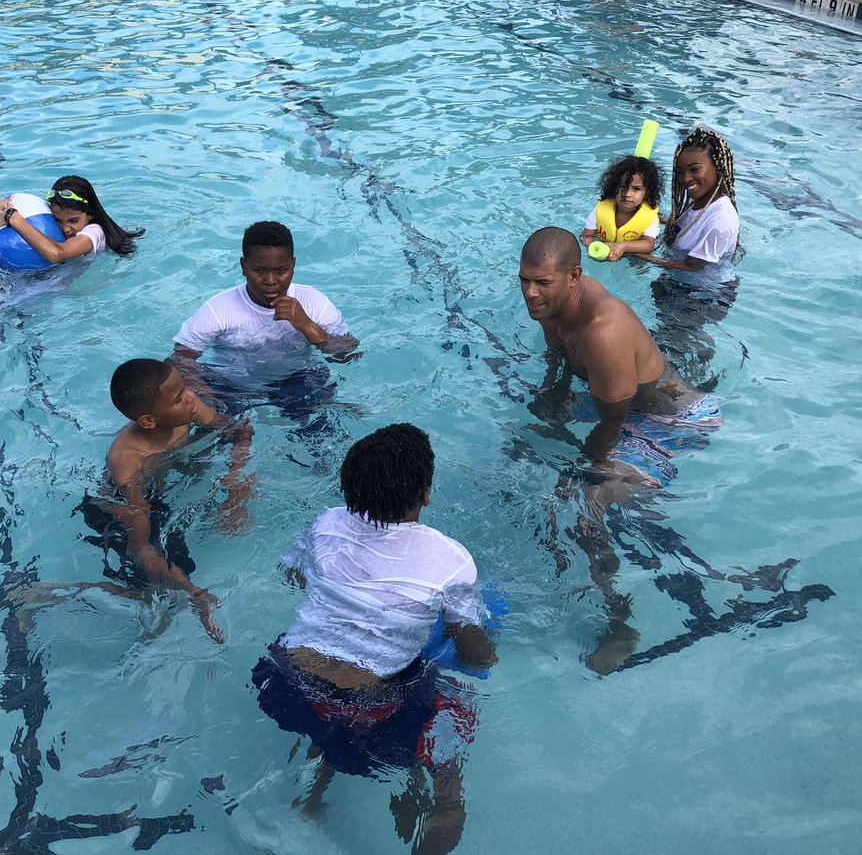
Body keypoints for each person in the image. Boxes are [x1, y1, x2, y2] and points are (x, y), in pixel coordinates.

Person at [252, 423, 495, 855]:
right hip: (376, 709)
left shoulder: (326, 523)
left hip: (285, 683)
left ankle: (306, 807)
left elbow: (293, 575)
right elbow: (475, 655)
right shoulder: (451, 560)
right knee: (450, 764)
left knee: (328, 726)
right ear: (425, 493)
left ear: (348, 488)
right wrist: (485, 646)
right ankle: (431, 821)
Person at [519, 227, 724, 674]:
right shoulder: (552, 305)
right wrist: (550, 403)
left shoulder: (602, 331)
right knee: (523, 439)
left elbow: (612, 424)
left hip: (672, 423)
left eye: (542, 284)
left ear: (574, 277)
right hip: (621, 402)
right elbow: (561, 365)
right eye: (525, 281)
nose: (531, 294)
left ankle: (619, 619)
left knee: (587, 501)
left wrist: (584, 472)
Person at [82, 358, 253, 644]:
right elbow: (141, 545)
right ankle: (46, 594)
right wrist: (192, 590)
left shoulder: (190, 410)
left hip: (163, 487)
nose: (190, 396)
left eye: (184, 388)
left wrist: (235, 482)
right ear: (149, 421)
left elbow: (240, 432)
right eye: (178, 399)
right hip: (123, 505)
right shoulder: (128, 461)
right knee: (156, 591)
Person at [171, 221, 357, 428]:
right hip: (230, 384)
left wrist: (306, 325)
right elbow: (180, 360)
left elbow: (347, 355)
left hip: (295, 379)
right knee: (205, 432)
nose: (270, 281)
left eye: (281, 270)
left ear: (293, 265)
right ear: (243, 267)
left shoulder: (314, 301)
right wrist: (204, 396)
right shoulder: (218, 309)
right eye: (259, 271)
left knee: (323, 429)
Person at [609, 129, 741, 389]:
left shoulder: (721, 218)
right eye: (680, 172)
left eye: (694, 170)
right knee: (659, 341)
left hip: (704, 295)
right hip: (684, 287)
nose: (686, 179)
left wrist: (638, 254)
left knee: (670, 348)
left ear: (718, 168)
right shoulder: (701, 201)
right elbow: (684, 227)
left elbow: (693, 266)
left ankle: (687, 392)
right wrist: (650, 218)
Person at [0, 175, 144, 280]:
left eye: (73, 221)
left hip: (53, 283)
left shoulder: (95, 232)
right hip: (37, 270)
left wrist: (11, 216)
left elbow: (57, 254)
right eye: (58, 221)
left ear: (90, 215)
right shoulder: (48, 217)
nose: (65, 229)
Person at [579, 154, 662, 261]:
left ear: (647, 193)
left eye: (636, 189)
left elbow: (648, 245)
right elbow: (585, 237)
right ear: (614, 187)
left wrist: (623, 246)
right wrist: (595, 247)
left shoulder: (650, 217)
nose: (627, 194)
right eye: (623, 187)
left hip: (633, 255)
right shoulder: (600, 210)